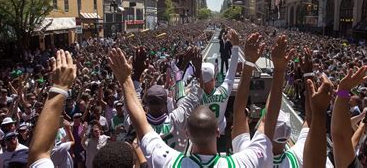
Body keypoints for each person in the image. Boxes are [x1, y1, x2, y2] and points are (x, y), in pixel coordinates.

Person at [106, 33, 288, 167]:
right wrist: (276, 69)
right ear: (217, 131)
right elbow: (267, 121)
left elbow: (140, 123)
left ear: (187, 133)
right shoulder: (241, 162)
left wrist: (127, 79)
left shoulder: (169, 161)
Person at [201, 29, 239, 139]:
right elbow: (231, 72)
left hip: (202, 135)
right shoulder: (223, 92)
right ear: (214, 78)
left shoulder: (196, 96)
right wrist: (236, 46)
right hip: (220, 132)